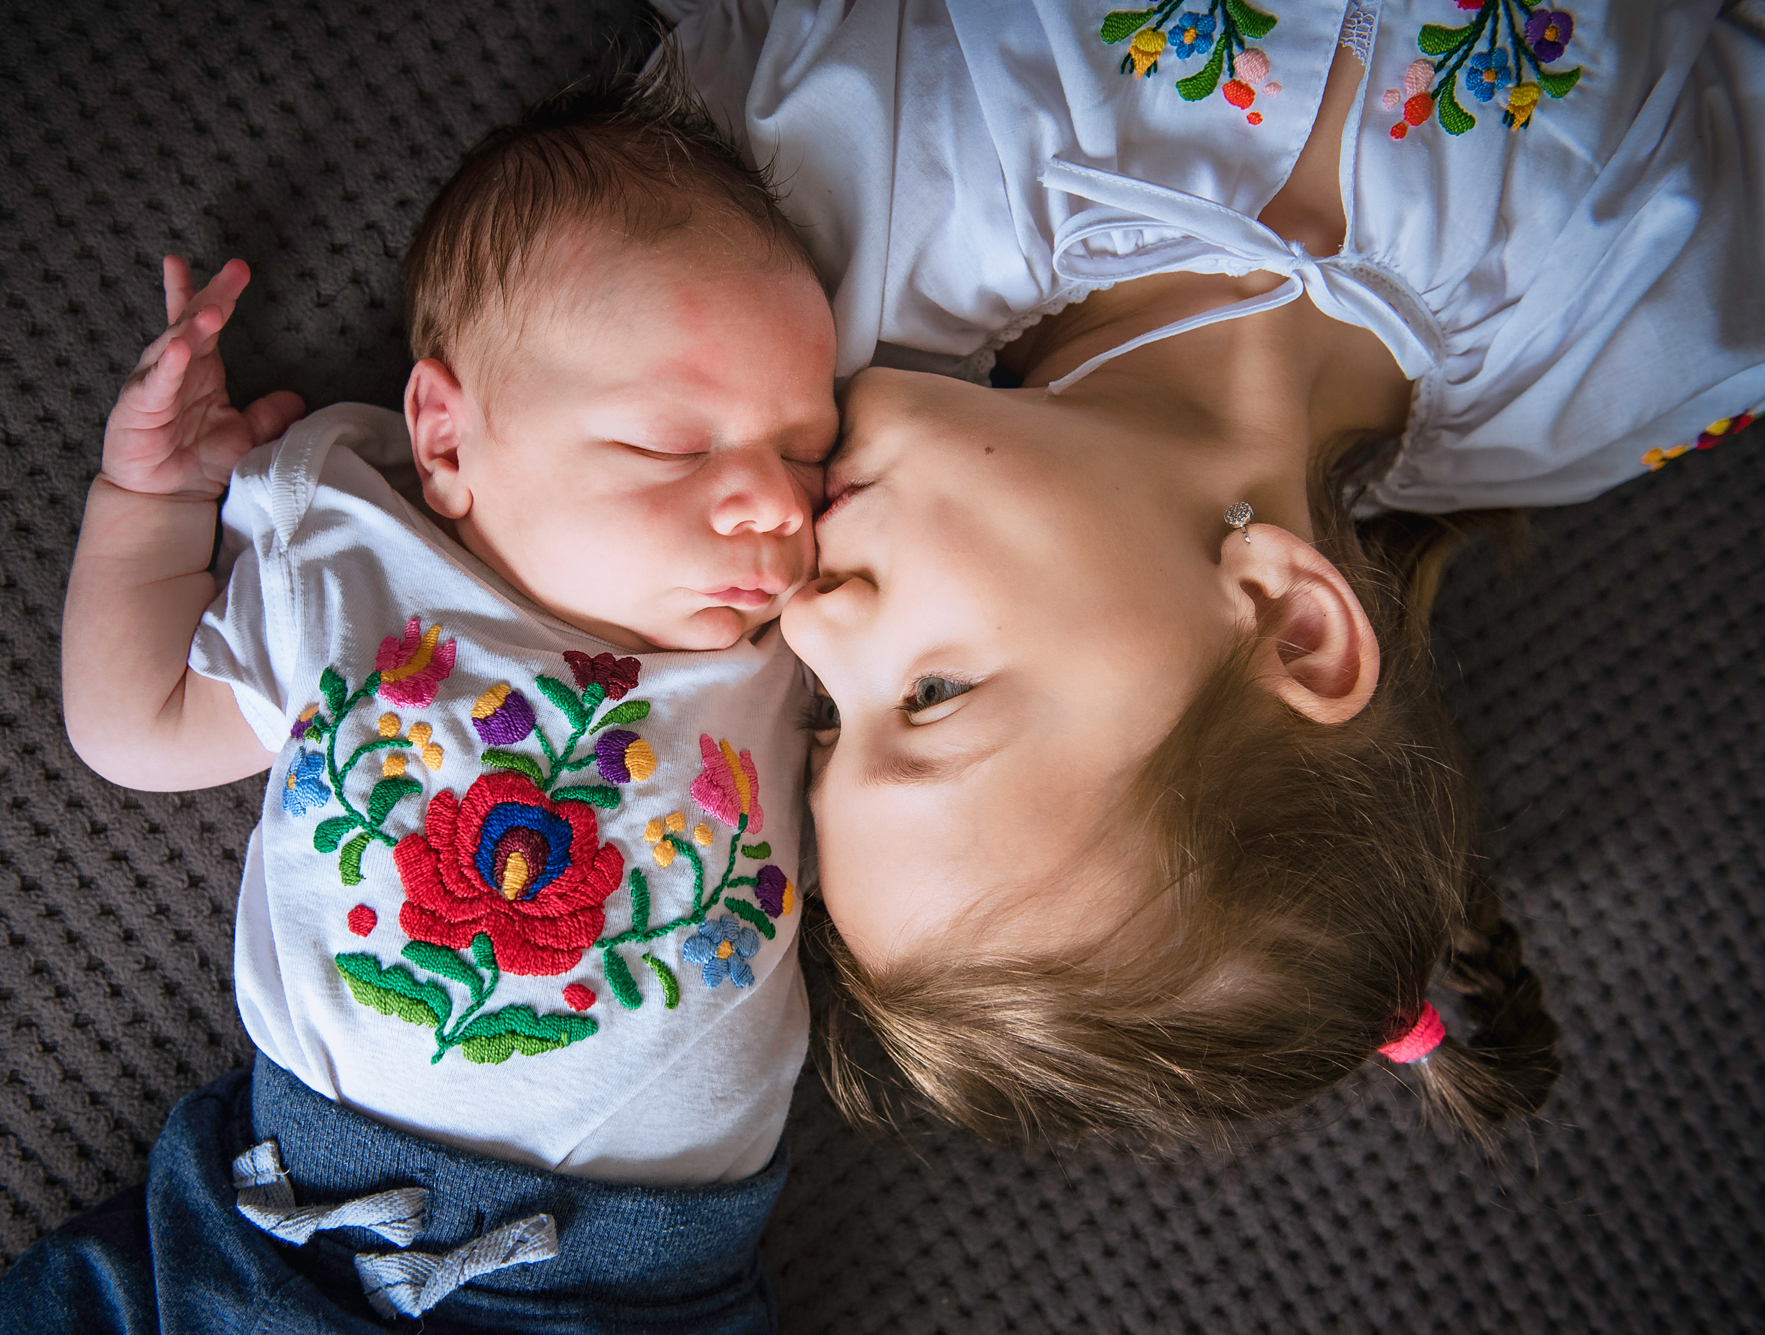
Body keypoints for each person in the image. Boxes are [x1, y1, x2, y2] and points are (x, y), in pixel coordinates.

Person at [665, 0, 1763, 1143]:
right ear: (1286, 625)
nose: (807, 626)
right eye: (928, 699)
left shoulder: (827, 213)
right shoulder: (1641, 349)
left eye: (829, 726)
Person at [0, 74, 837, 1333]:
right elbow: (134, 726)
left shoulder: (800, 645)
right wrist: (150, 506)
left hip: (640, 1292)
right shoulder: (360, 578)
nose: (771, 503)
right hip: (301, 1228)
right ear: (447, 440)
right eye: (669, 447)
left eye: (804, 449)